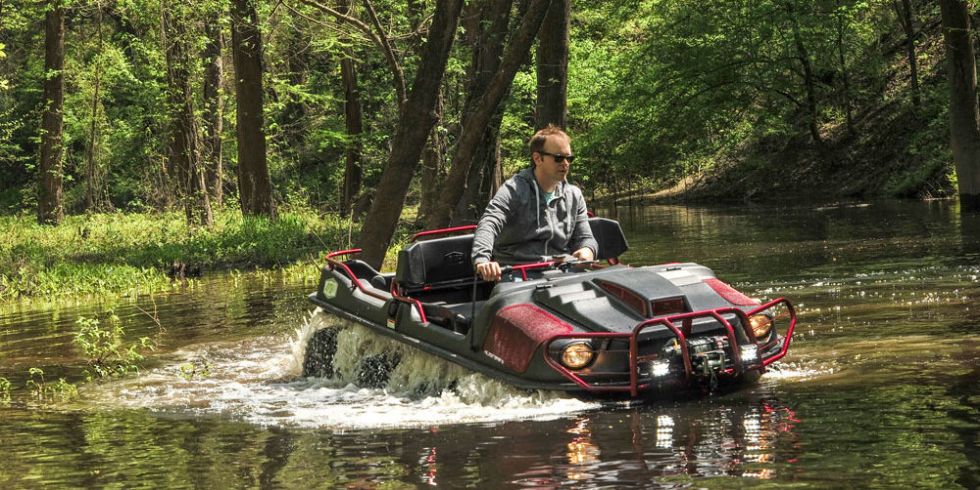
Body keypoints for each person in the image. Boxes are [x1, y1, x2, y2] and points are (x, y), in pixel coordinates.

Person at [472, 125, 597, 281]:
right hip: (516, 274)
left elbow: (585, 237)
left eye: (569, 158)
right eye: (558, 157)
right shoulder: (513, 190)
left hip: (562, 271)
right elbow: (489, 223)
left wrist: (587, 250)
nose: (565, 163)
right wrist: (482, 260)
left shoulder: (574, 195)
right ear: (537, 158)